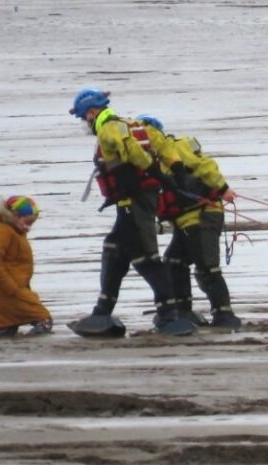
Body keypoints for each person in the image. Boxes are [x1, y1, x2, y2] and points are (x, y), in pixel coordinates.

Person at [67, 88, 195, 337]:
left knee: (146, 258)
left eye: (84, 118)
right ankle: (102, 311)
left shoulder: (109, 128)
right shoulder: (133, 124)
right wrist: (176, 167)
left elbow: (134, 152)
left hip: (134, 202)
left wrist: (158, 172)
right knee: (114, 249)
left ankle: (170, 315)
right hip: (135, 201)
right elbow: (163, 143)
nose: (85, 123)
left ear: (92, 113)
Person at [136, 114, 242, 330]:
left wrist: (223, 189)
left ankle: (224, 315)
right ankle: (184, 311)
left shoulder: (179, 146)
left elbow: (206, 166)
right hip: (184, 222)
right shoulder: (148, 162)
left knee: (207, 267)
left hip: (202, 215)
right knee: (174, 261)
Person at [0, 195, 53, 336]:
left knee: (9, 318)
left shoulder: (13, 229)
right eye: (27, 222)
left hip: (14, 286)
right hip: (7, 287)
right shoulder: (1, 230)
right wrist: (9, 286)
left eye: (31, 224)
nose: (28, 227)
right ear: (13, 215)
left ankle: (7, 328)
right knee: (43, 316)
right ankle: (10, 328)